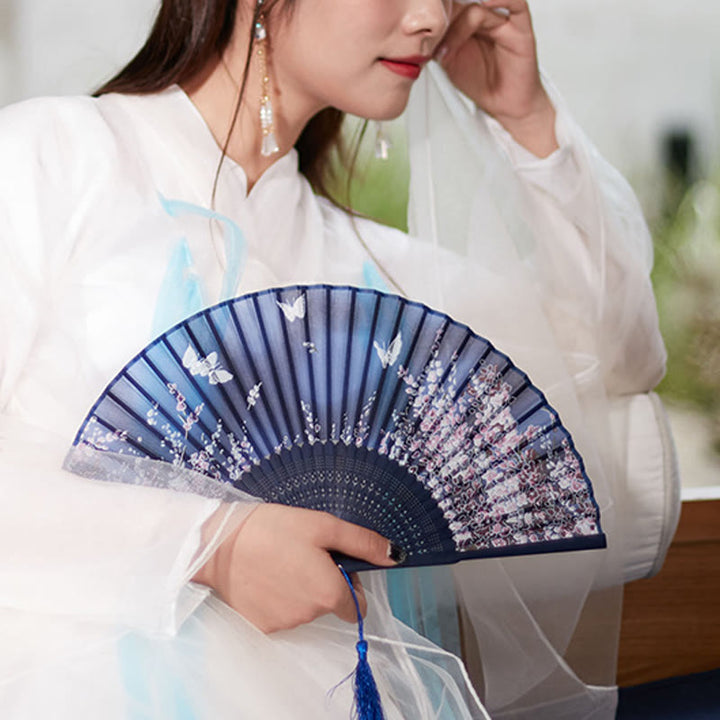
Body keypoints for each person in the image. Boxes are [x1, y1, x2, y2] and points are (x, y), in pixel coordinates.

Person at [0, 0, 679, 718]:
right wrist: (207, 543)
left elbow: (613, 359)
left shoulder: (366, 275)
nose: (430, 19)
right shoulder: (50, 156)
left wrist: (528, 119)